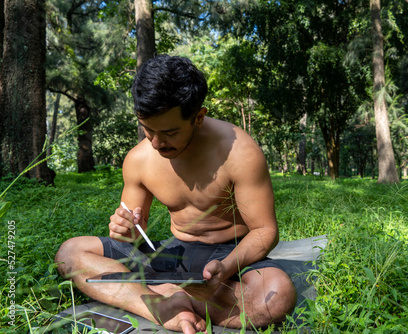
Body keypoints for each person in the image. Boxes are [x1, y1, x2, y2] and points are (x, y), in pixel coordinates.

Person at [55, 55, 297, 334]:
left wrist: (227, 268)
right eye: (148, 129)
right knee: (70, 253)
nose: (157, 143)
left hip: (232, 253)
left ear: (198, 117)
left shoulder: (239, 152)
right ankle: (162, 306)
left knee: (276, 297)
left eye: (169, 132)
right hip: (171, 253)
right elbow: (135, 233)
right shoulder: (139, 159)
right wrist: (126, 229)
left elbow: (265, 231)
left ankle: (165, 292)